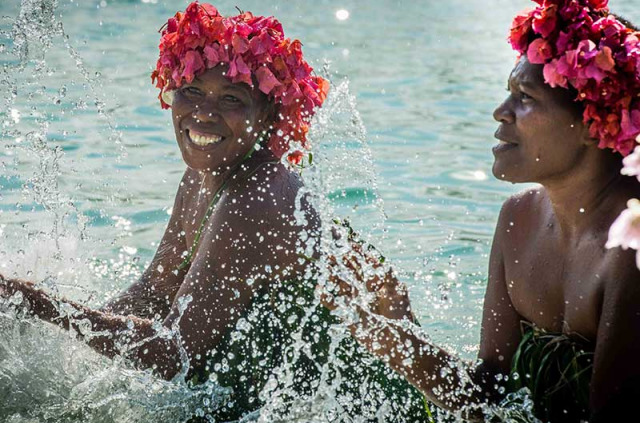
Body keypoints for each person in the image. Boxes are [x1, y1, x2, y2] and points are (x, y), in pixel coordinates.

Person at [0, 3, 429, 421]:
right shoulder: (204, 175)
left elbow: (174, 355)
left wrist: (40, 305)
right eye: (191, 91)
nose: (203, 114)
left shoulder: (255, 197)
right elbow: (153, 290)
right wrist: (50, 333)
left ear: (269, 117)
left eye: (231, 99)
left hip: (374, 410)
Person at [325, 1, 640, 422]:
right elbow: (487, 395)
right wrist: (391, 330)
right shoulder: (517, 220)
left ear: (592, 119)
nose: (501, 112)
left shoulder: (631, 244)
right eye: (510, 91)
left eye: (525, 97)